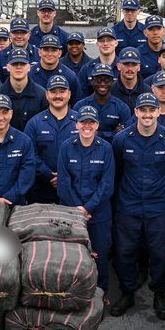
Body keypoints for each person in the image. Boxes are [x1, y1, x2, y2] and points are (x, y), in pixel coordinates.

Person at [111, 93, 165, 319]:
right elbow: (118, 173)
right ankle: (127, 292)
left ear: (159, 112)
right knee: (125, 251)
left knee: (159, 253)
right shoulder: (122, 140)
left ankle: (159, 294)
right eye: (143, 110)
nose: (148, 115)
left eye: (152, 110)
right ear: (136, 112)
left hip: (158, 208)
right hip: (128, 206)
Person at [57, 106, 116, 297]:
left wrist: (88, 207)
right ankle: (74, 294)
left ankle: (101, 293)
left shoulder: (106, 149)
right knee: (72, 256)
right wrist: (78, 209)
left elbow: (107, 184)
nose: (87, 126)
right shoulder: (66, 147)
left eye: (91, 122)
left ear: (97, 125)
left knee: (99, 255)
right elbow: (64, 183)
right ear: (77, 124)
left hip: (98, 213)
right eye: (83, 122)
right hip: (71, 213)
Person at [24, 76, 78, 204]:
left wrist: (64, 177)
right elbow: (30, 155)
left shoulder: (81, 122)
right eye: (53, 92)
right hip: (41, 192)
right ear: (47, 95)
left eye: (62, 91)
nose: (58, 96)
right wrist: (49, 175)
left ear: (69, 94)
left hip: (74, 189)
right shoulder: (34, 123)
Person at [0, 49, 47, 131]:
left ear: (29, 67)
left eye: (22, 64)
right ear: (8, 67)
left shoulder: (41, 95)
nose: (18, 67)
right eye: (14, 64)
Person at [76, 65, 131, 142]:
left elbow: (124, 137)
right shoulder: (80, 106)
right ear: (92, 81)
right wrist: (113, 133)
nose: (102, 83)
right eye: (98, 80)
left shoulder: (122, 108)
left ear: (112, 82)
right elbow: (76, 134)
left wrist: (96, 134)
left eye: (106, 80)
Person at [30, 35, 82, 101]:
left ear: (59, 53)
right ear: (39, 52)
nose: (50, 54)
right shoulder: (29, 75)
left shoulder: (70, 76)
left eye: (54, 50)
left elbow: (76, 104)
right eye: (46, 50)